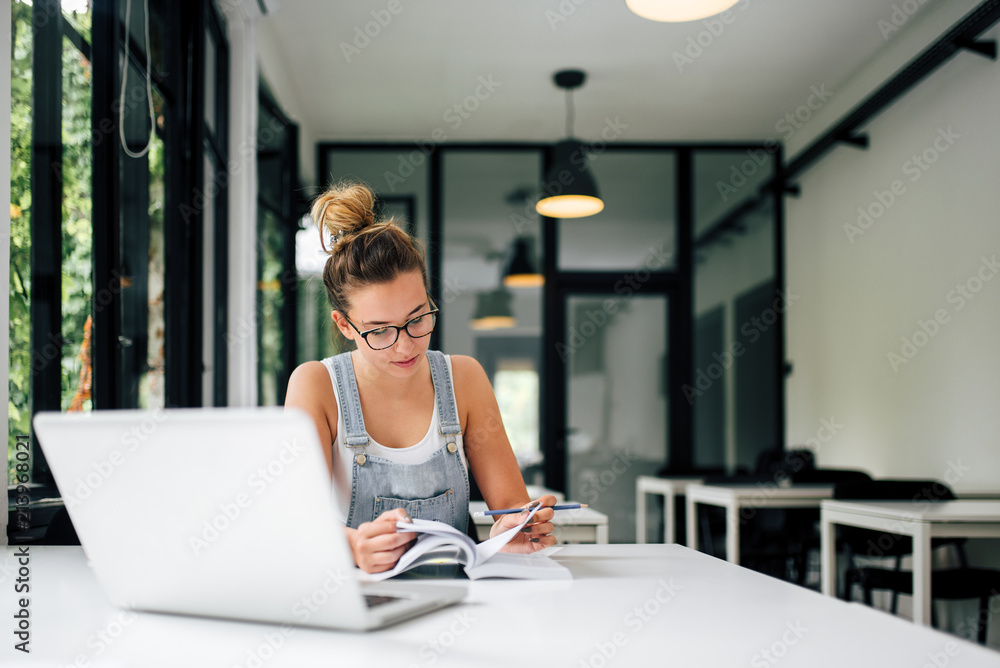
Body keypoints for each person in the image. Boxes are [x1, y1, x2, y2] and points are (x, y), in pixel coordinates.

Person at [285, 181, 556, 574]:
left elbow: (511, 512)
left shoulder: (464, 379)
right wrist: (353, 547)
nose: (405, 346)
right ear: (344, 325)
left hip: (461, 602)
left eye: (417, 318)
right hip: (364, 603)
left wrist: (514, 530)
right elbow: (297, 521)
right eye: (379, 330)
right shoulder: (316, 385)